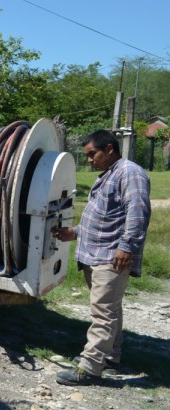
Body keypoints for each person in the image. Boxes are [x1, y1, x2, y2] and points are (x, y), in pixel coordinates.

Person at [52, 129, 151, 386]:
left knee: (103, 314)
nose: (89, 160)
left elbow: (137, 214)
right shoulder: (109, 175)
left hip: (111, 257)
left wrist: (126, 247)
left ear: (109, 149)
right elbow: (104, 218)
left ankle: (90, 368)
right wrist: (73, 233)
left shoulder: (130, 173)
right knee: (110, 310)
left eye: (92, 154)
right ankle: (110, 357)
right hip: (97, 255)